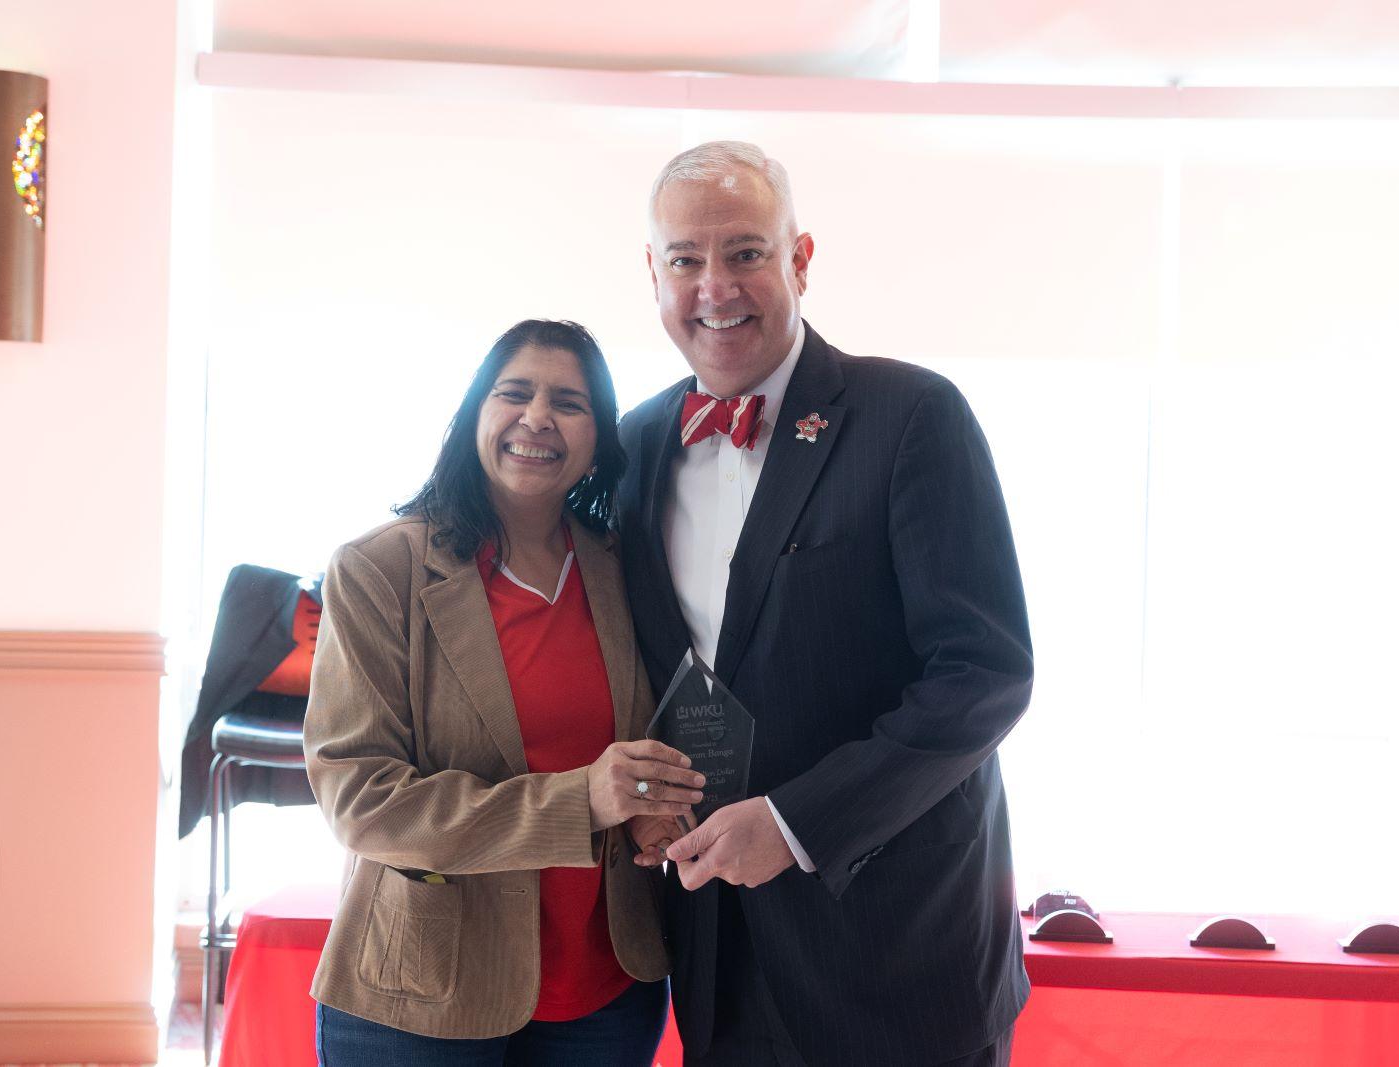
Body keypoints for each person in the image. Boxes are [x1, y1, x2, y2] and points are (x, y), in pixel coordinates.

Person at [617, 142, 1034, 1066]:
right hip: (717, 955)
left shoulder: (912, 414)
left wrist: (795, 824)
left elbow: (984, 674)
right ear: (654, 274)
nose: (715, 286)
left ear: (800, 260)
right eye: (685, 259)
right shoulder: (633, 446)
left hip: (898, 954)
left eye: (746, 252)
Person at [304, 319, 707, 1065]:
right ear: (474, 415)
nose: (538, 417)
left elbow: (648, 737)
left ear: (599, 437)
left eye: (569, 403)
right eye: (515, 393)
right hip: (425, 991)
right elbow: (361, 799)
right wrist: (581, 801)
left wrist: (648, 813)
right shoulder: (378, 570)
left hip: (606, 991)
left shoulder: (626, 568)